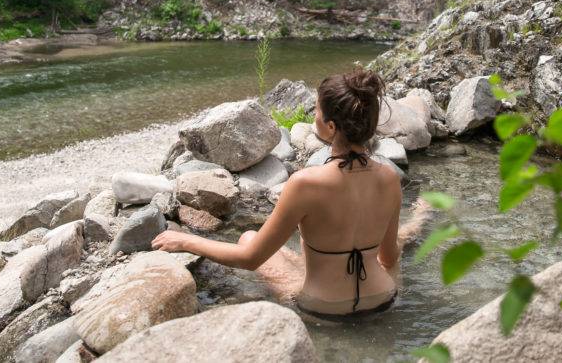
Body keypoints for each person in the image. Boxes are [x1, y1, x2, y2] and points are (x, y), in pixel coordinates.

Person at [152, 67, 430, 317]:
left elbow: (250, 260)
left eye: (317, 112)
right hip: (383, 299)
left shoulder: (305, 183)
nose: (315, 117)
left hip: (323, 308)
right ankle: (421, 218)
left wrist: (185, 241)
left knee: (249, 238)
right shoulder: (389, 178)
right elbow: (390, 258)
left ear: (331, 126)